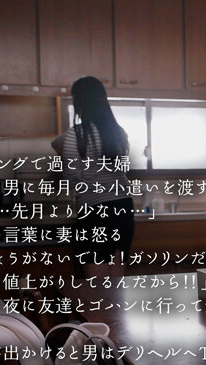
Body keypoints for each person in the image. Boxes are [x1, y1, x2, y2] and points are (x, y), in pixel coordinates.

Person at [52, 76, 134, 278]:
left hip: (94, 210)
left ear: (79, 102)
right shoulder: (118, 133)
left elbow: (72, 176)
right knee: (116, 280)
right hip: (123, 207)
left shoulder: (77, 134)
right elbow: (123, 168)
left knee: (97, 284)